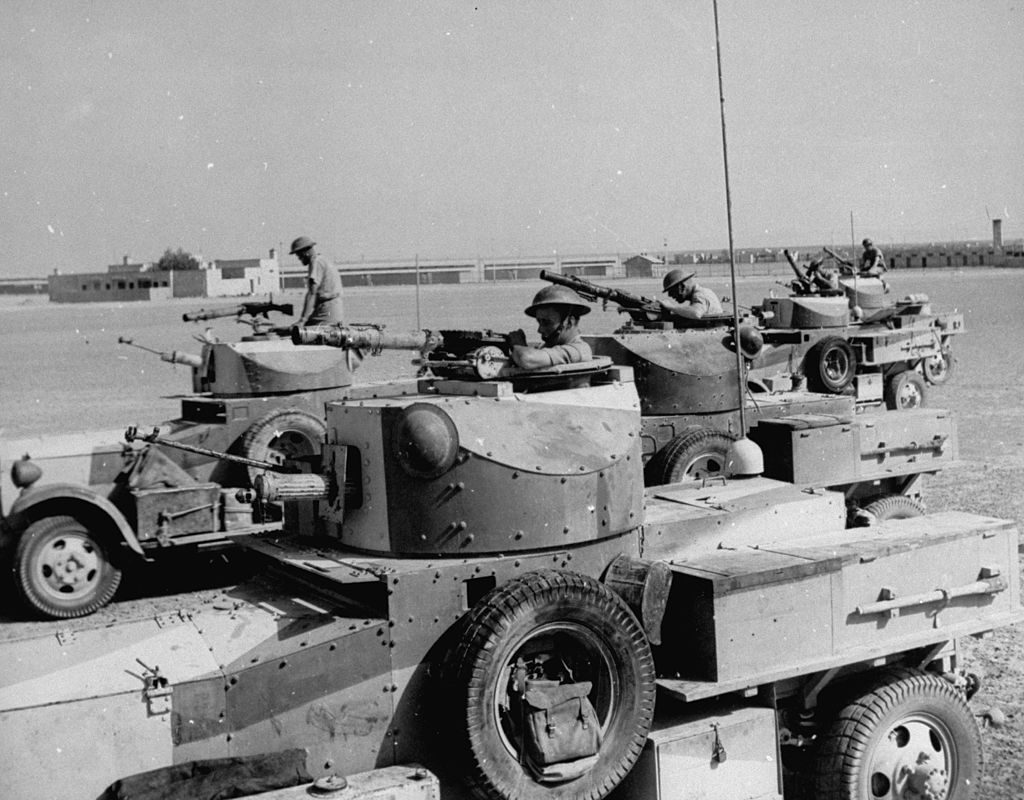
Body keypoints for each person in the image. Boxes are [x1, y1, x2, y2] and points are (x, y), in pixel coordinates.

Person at [507, 285, 593, 369]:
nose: (540, 330)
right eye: (539, 322)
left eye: (546, 322)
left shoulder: (578, 350)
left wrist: (517, 345)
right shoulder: (550, 346)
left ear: (569, 322)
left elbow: (526, 359)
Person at [291, 236, 344, 326]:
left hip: (327, 311)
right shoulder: (322, 260)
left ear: (305, 252)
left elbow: (312, 293)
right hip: (332, 309)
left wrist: (302, 320)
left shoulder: (316, 262)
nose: (298, 258)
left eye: (298, 254)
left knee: (300, 333)